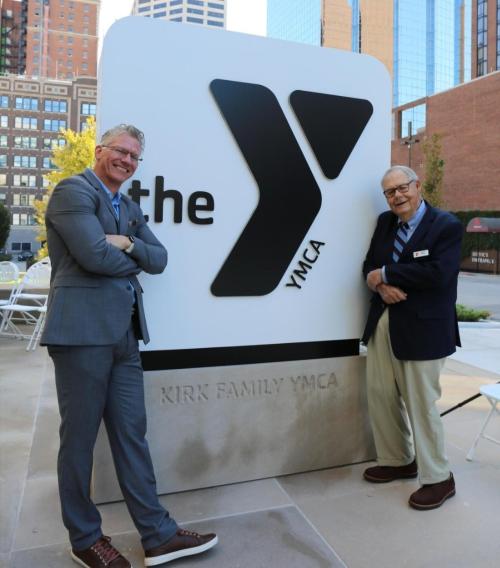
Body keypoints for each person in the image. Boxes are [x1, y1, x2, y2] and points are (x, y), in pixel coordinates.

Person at [41, 124, 218, 567]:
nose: (127, 161)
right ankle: (85, 538)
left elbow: (158, 259)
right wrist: (126, 255)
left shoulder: (128, 206)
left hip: (124, 334)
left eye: (135, 157)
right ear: (100, 150)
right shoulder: (73, 192)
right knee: (79, 441)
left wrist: (128, 241)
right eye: (121, 151)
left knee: (131, 436)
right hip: (82, 334)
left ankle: (157, 535)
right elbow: (93, 256)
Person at [361, 165, 462, 510]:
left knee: (421, 404)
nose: (397, 196)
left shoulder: (445, 225)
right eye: (389, 192)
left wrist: (385, 273)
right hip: (384, 321)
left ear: (417, 185)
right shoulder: (385, 223)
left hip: (425, 328)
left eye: (402, 187)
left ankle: (439, 478)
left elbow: (438, 272)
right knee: (380, 394)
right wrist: (380, 283)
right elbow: (368, 267)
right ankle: (399, 460)